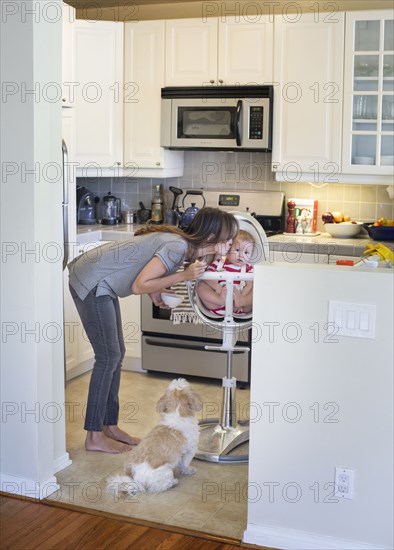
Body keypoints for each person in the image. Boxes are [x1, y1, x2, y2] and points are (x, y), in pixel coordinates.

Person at [68, 207, 238, 454]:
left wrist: (156, 292)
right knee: (108, 357)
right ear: (212, 237)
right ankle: (94, 436)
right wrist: (182, 276)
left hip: (101, 282)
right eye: (228, 237)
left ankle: (109, 426)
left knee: (116, 354)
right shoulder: (177, 247)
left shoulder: (183, 247)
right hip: (91, 280)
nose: (231, 242)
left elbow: (144, 272)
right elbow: (138, 285)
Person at [196, 230, 254, 316]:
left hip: (241, 307)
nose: (241, 255)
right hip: (217, 304)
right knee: (201, 286)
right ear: (228, 249)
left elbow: (250, 285)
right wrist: (217, 287)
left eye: (246, 252)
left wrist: (242, 298)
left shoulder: (248, 268)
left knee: (256, 289)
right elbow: (207, 278)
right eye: (237, 250)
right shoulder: (218, 263)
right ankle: (220, 299)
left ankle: (243, 301)